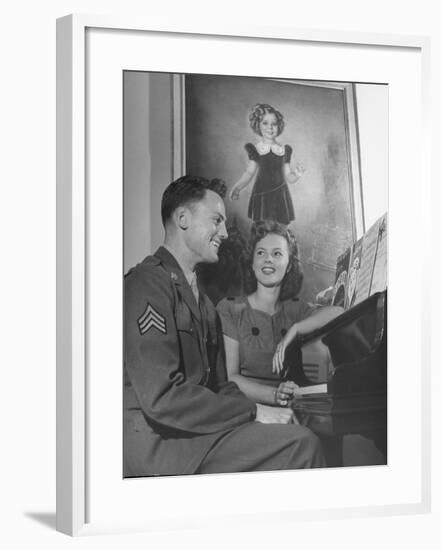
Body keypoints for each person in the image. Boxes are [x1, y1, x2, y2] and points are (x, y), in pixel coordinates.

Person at [124, 175, 326, 477]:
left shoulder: (203, 303)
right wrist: (255, 411)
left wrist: (264, 415)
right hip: (162, 445)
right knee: (301, 445)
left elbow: (221, 386)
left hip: (196, 435)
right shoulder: (146, 284)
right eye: (216, 221)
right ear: (182, 218)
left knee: (297, 436)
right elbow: (162, 397)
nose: (226, 232)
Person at [216, 220, 343, 407]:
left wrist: (296, 329)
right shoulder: (230, 309)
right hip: (246, 411)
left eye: (277, 253)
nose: (268, 259)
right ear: (252, 263)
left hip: (289, 411)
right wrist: (276, 394)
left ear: (289, 265)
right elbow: (231, 378)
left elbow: (338, 312)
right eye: (261, 253)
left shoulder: (295, 310)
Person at [229, 103, 305, 225]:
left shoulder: (284, 150)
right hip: (262, 195)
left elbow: (289, 177)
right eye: (265, 123)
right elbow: (249, 173)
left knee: (279, 228)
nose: (270, 127)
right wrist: (237, 187)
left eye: (274, 124)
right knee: (262, 227)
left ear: (279, 126)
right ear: (257, 125)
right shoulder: (256, 150)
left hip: (280, 195)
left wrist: (297, 174)